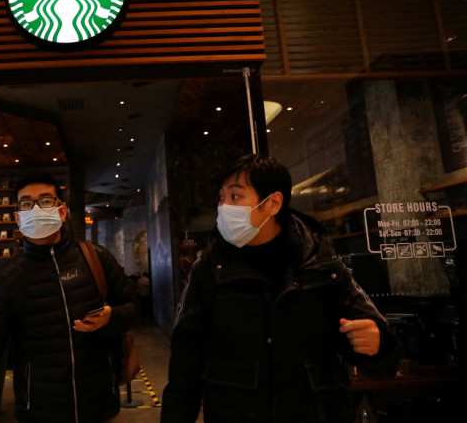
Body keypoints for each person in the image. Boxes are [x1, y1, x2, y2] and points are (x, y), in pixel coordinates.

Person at [161, 155, 400, 423]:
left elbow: (381, 356)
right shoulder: (208, 270)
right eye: (222, 198)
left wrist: (377, 345)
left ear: (273, 203)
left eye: (236, 197)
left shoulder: (322, 266)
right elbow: (185, 366)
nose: (224, 207)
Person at [0, 174, 139, 423]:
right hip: (40, 412)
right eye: (26, 204)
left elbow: (132, 307)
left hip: (100, 406)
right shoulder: (6, 279)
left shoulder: (96, 258)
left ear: (62, 210)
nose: (35, 209)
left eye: (45, 201)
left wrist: (112, 319)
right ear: (17, 217)